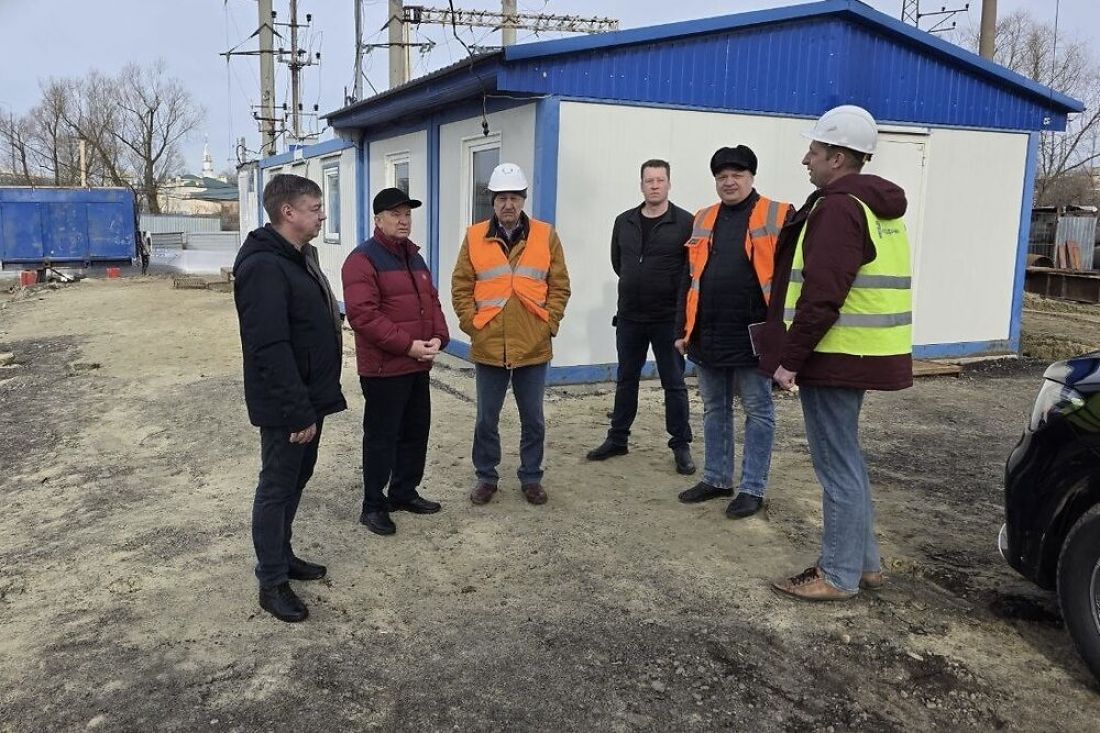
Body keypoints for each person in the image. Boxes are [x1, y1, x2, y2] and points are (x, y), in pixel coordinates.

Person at [763, 105, 912, 601]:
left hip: (835, 355)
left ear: (838, 157)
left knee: (836, 465)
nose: (806, 159)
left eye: (814, 151)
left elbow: (822, 294)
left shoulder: (839, 208)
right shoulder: (874, 207)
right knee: (847, 460)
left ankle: (838, 574)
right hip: (862, 353)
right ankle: (864, 565)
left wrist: (791, 359)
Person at [232, 173, 346, 623]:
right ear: (288, 212)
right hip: (287, 404)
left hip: (309, 394)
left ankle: (283, 555)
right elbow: (269, 346)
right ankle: (271, 581)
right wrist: (298, 411)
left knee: (297, 480)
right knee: (277, 486)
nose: (322, 216)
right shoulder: (263, 266)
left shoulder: (299, 256)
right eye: (315, 208)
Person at [673, 146, 793, 519]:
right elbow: (688, 277)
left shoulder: (779, 214)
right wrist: (682, 328)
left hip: (754, 335)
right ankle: (717, 478)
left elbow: (791, 278)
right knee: (714, 409)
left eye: (737, 175)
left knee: (758, 410)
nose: (729, 182)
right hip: (707, 332)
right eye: (722, 176)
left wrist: (785, 337)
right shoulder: (703, 218)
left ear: (751, 177)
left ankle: (752, 488)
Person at [451, 163, 571, 506]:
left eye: (515, 197)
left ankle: (531, 477)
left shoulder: (545, 235)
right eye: (502, 197)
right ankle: (486, 477)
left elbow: (560, 285)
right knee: (486, 419)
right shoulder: (474, 237)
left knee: (533, 419)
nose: (508, 204)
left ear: (523, 200)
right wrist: (472, 324)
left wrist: (549, 323)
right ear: (492, 201)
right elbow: (461, 286)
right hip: (489, 343)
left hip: (533, 344)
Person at [342, 188, 449, 537]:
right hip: (384, 369)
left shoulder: (414, 258)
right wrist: (408, 346)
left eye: (407, 214)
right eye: (395, 214)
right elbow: (364, 316)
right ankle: (373, 505)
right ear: (377, 219)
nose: (403, 221)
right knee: (381, 438)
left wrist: (439, 337)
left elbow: (432, 302)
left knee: (416, 432)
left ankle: (404, 492)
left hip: (417, 364)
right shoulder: (362, 260)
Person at [585, 159, 696, 475]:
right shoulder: (624, 222)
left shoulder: (685, 223)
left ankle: (681, 445)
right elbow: (619, 263)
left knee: (674, 383)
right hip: (630, 317)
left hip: (667, 319)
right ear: (642, 185)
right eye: (649, 180)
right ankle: (617, 439)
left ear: (669, 184)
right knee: (626, 379)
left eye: (660, 180)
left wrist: (682, 319)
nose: (655, 185)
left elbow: (689, 271)